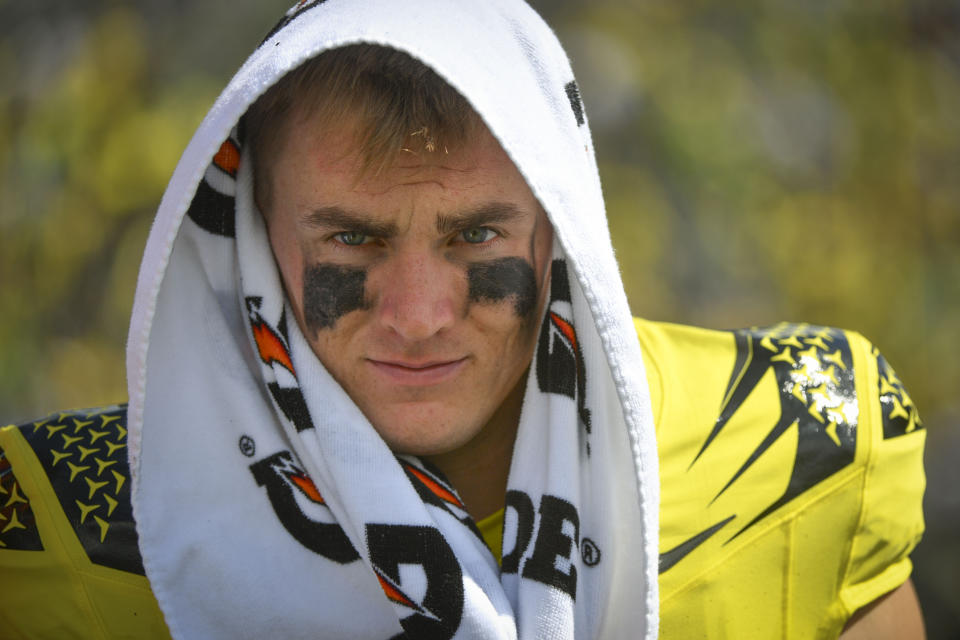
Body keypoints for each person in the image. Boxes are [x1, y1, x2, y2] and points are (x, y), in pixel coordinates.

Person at [0, 1, 926, 638]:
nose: (418, 315)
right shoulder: (53, 530)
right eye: (352, 240)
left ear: (558, 227)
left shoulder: (803, 446)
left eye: (476, 232)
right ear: (246, 231)